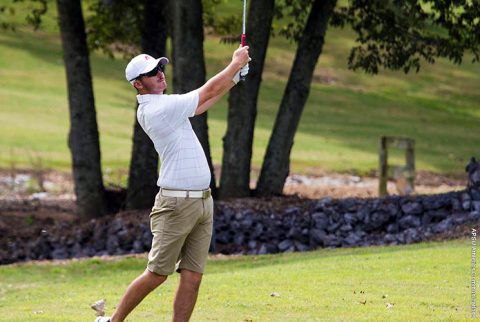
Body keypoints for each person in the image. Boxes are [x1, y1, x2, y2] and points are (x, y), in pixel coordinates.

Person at [95, 45, 250, 322]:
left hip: (203, 201)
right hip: (176, 204)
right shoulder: (157, 109)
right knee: (157, 274)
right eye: (152, 73)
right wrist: (234, 65)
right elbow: (207, 92)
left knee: (192, 276)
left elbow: (201, 105)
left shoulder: (170, 107)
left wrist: (235, 79)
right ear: (138, 84)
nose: (160, 74)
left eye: (160, 68)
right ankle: (113, 321)